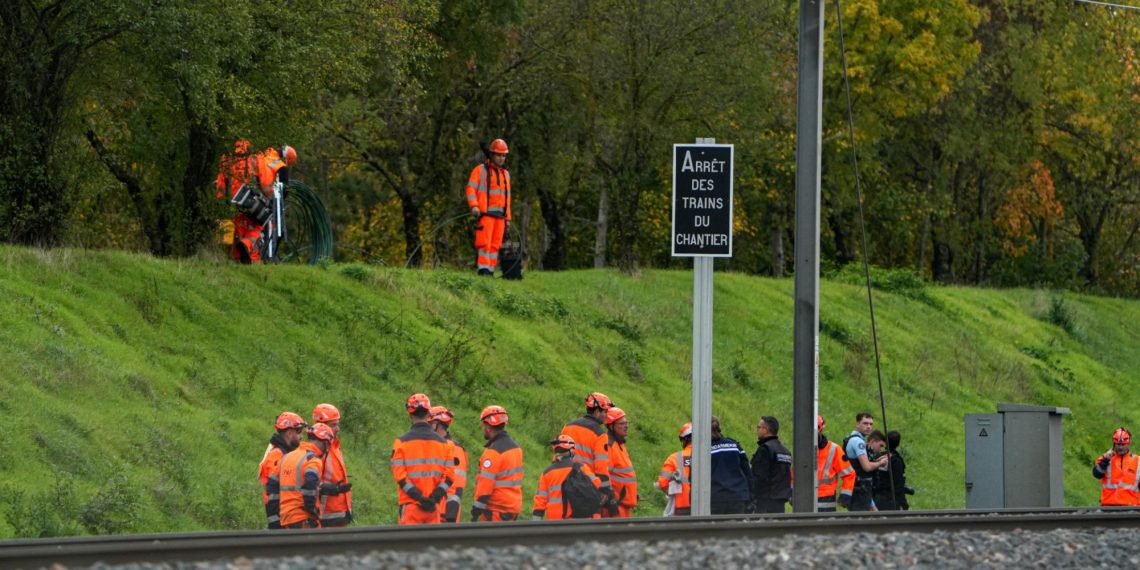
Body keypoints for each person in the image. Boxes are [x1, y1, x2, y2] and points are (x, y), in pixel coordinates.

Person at [216, 140, 298, 264]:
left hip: (231, 198)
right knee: (261, 225)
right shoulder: (260, 158)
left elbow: (221, 180)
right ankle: (247, 246)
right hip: (246, 196)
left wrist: (220, 199)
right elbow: (266, 182)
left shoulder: (226, 157)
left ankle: (233, 256)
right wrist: (268, 200)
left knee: (237, 225)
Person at [391, 393, 455, 525]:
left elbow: (401, 478)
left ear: (410, 414)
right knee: (432, 545)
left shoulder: (400, 443)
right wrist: (434, 498)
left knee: (409, 545)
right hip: (433, 508)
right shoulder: (446, 445)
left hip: (411, 507)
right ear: (428, 414)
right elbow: (449, 477)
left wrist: (419, 498)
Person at [267, 422, 335, 529]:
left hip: (285, 520)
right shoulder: (313, 459)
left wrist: (275, 517)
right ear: (325, 443)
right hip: (303, 520)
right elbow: (310, 483)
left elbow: (271, 486)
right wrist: (313, 511)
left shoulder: (286, 457)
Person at [561, 392, 616, 510]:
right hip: (588, 486)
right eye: (605, 412)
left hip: (566, 482)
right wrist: (606, 490)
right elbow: (601, 465)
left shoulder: (568, 426)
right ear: (596, 412)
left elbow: (559, 453)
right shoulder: (600, 434)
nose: (607, 415)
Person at [466, 138, 512, 276]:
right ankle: (483, 270)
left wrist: (508, 218)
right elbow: (470, 189)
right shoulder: (480, 170)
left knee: (495, 245)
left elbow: (507, 198)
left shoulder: (506, 175)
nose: (501, 158)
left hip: (500, 217)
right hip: (485, 215)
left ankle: (490, 272)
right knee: (484, 244)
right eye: (498, 154)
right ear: (492, 154)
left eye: (503, 155)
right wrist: (474, 206)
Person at [472, 405, 524, 521]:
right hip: (512, 508)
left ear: (488, 427)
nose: (483, 428)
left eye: (483, 425)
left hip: (496, 511)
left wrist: (476, 509)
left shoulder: (494, 452)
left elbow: (485, 484)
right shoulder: (516, 449)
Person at [533, 435, 602, 520]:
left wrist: (536, 521)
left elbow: (540, 500)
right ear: (572, 450)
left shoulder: (546, 473)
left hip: (554, 520)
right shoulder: (581, 467)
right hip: (577, 517)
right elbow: (597, 485)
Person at [258, 411, 307, 528]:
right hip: (279, 516)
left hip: (286, 513)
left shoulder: (286, 453)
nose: (301, 436)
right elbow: (273, 490)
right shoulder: (277, 456)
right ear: (289, 433)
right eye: (299, 431)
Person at [312, 403, 353, 526]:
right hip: (325, 515)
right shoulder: (319, 449)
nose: (338, 428)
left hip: (340, 513)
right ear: (321, 426)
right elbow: (309, 482)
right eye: (333, 425)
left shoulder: (334, 446)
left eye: (338, 424)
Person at [844, 412, 889, 511]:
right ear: (857, 424)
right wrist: (880, 463)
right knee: (861, 523)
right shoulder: (858, 442)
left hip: (860, 488)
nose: (869, 426)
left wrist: (876, 460)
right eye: (865, 423)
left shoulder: (852, 439)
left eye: (871, 424)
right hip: (860, 490)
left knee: (874, 516)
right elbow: (866, 467)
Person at [430, 405, 468, 522]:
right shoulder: (437, 446)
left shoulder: (454, 449)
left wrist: (450, 512)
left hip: (445, 514)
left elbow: (457, 483)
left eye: (429, 424)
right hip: (434, 510)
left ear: (438, 425)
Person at [710, 416, 752, 514]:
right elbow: (747, 473)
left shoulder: (703, 449)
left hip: (715, 499)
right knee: (736, 528)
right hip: (738, 497)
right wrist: (750, 497)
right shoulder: (734, 445)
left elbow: (694, 477)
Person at [750, 415, 792, 514]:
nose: (757, 430)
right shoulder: (785, 451)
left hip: (765, 502)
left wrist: (752, 496)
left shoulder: (765, 449)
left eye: (759, 427)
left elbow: (760, 477)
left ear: (766, 430)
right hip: (780, 502)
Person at [603, 407, 637, 518]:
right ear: (611, 426)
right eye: (621, 424)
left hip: (623, 505)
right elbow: (604, 476)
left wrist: (631, 493)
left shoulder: (619, 444)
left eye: (626, 423)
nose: (626, 426)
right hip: (615, 508)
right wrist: (611, 501)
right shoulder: (609, 446)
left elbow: (622, 474)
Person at [1093, 427, 1140, 506]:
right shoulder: (1106, 458)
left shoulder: (1138, 461)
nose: (1120, 447)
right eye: (1118, 444)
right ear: (1114, 443)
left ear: (1129, 443)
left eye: (1123, 444)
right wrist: (1105, 460)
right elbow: (1096, 474)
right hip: (1109, 507)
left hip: (1131, 508)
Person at [816, 415, 854, 512]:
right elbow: (795, 474)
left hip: (826, 500)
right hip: (805, 499)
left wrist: (845, 495)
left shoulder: (834, 449)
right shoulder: (802, 448)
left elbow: (849, 474)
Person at [658, 422, 693, 516]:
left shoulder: (674, 458)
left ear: (685, 439)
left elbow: (662, 482)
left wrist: (673, 493)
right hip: (706, 506)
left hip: (682, 506)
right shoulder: (709, 455)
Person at [873, 430, 911, 511]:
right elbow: (898, 484)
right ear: (898, 444)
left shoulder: (878, 456)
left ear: (885, 442)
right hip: (890, 500)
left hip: (876, 498)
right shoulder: (896, 460)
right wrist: (904, 504)